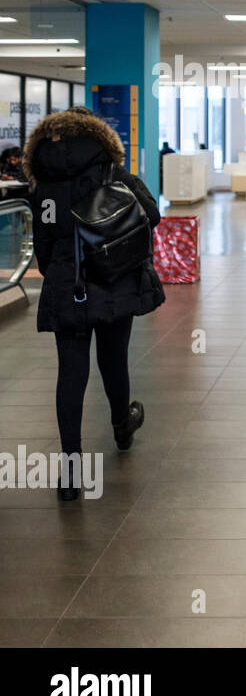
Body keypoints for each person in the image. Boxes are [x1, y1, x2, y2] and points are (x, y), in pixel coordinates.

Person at [23, 107, 163, 500]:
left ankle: (70, 472)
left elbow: (44, 243)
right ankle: (122, 426)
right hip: (113, 278)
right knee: (113, 359)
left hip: (67, 284)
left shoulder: (43, 184)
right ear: (100, 138)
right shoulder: (112, 174)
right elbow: (150, 214)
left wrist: (61, 273)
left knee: (71, 373)